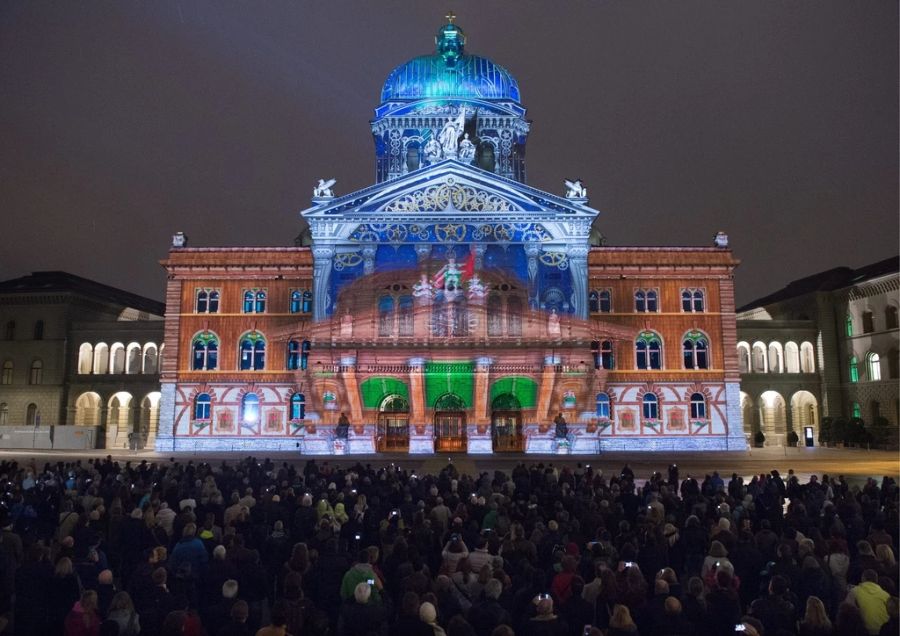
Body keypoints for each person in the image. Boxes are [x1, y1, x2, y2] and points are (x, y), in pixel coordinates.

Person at [846, 569, 889, 635]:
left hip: (866, 631)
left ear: (863, 578)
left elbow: (847, 612)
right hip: (885, 630)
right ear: (876, 580)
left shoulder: (854, 591)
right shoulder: (886, 595)